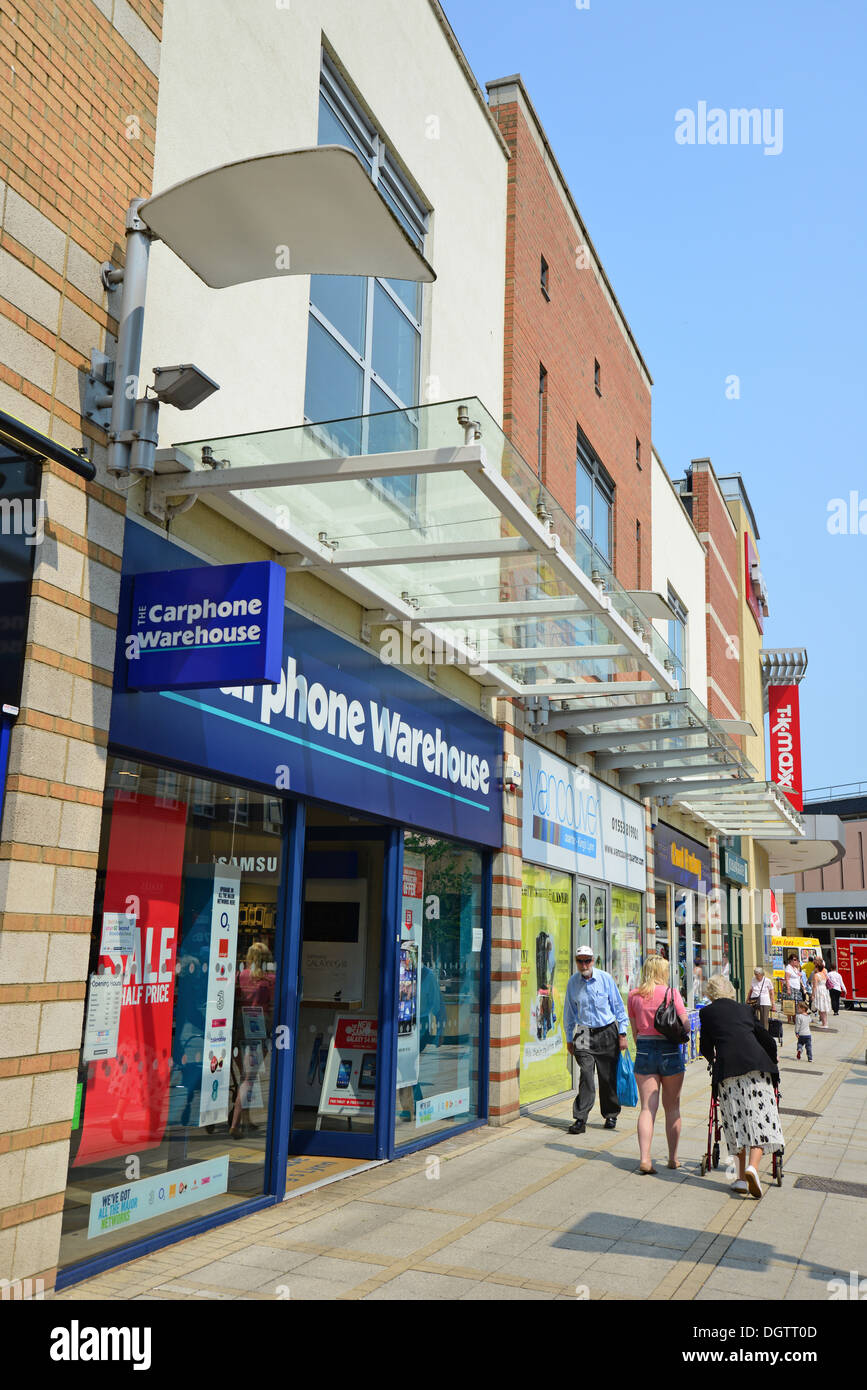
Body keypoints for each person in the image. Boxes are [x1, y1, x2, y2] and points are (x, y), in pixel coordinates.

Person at [699, 973, 783, 1199]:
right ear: (730, 991)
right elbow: (765, 1038)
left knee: (736, 1120)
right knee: (761, 1117)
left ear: (710, 993)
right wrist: (772, 1059)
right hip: (756, 1066)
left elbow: (705, 1047)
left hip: (727, 1072)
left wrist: (712, 1060)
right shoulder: (745, 1010)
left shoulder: (706, 1013)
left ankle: (739, 1179)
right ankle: (753, 1168)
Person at [627, 954, 688, 1174]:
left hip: (644, 1050)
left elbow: (634, 1032)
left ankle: (645, 1159)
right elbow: (686, 1025)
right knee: (672, 1107)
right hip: (670, 1051)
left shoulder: (633, 996)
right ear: (662, 972)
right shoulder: (672, 993)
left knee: (646, 1108)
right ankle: (673, 1159)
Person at [564, 944, 629, 1135]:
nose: (584, 964)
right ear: (576, 962)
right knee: (586, 1074)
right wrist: (569, 1038)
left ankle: (610, 1114)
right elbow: (569, 1012)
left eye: (587, 960)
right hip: (583, 1032)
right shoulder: (573, 983)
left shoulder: (605, 979)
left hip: (607, 1031)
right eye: (580, 961)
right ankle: (580, 1118)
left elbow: (618, 1006)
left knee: (607, 1076)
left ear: (593, 961)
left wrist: (622, 1033)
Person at [748, 966, 774, 1031]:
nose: (756, 976)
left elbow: (771, 992)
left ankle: (764, 1033)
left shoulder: (767, 981)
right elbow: (751, 990)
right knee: (753, 1017)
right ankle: (755, 1031)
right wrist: (747, 999)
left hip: (765, 1001)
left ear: (762, 974)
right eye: (755, 974)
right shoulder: (753, 979)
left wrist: (773, 1004)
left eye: (758, 975)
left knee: (764, 1020)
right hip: (754, 1000)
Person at [810, 958, 831, 1028]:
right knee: (824, 1007)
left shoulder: (816, 975)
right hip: (824, 990)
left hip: (819, 990)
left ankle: (824, 1024)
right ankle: (825, 1022)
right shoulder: (824, 974)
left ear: (817, 967)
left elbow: (814, 986)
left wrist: (813, 995)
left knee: (821, 1007)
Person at [784, 952, 802, 1024]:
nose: (796, 961)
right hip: (791, 988)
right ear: (790, 961)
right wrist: (788, 989)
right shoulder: (788, 968)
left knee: (796, 1004)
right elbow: (787, 979)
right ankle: (789, 1019)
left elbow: (799, 977)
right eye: (794, 960)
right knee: (790, 1003)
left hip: (796, 988)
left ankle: (795, 1018)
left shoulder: (795, 968)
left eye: (797, 959)